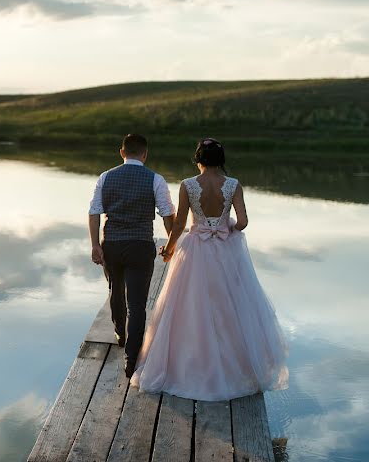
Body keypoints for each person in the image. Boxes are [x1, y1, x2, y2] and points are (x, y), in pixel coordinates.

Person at [131, 138, 289, 401]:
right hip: (227, 250)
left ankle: (192, 367)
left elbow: (180, 223)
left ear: (198, 159)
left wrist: (169, 249)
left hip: (196, 249)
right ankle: (237, 369)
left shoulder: (188, 185)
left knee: (191, 308)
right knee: (232, 306)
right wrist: (228, 229)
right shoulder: (233, 185)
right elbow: (244, 221)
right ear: (221, 159)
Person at [88, 133, 175, 378]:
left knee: (116, 289)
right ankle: (131, 358)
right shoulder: (155, 179)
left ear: (122, 152)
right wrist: (171, 243)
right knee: (137, 305)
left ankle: (120, 333)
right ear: (145, 154)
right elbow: (168, 213)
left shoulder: (106, 177)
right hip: (140, 245)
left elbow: (94, 212)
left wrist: (95, 245)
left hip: (112, 245)